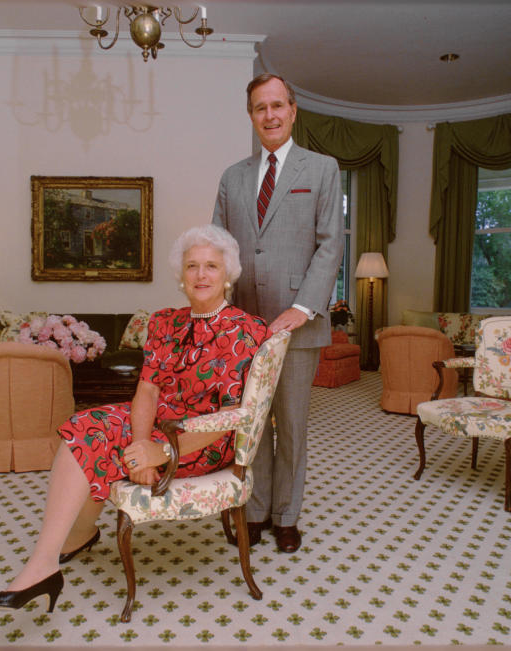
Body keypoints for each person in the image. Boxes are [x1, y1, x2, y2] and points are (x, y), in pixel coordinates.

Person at [0, 224, 269, 612]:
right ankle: (47, 562)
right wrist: (138, 444)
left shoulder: (246, 329)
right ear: (181, 275)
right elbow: (147, 390)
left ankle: (70, 544)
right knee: (84, 428)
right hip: (158, 426)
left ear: (228, 274)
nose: (201, 275)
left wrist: (161, 453)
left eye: (211, 266)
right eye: (192, 266)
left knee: (97, 441)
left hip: (204, 441)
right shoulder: (165, 322)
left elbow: (231, 416)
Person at [212, 73, 343, 553]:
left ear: (292, 110)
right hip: (243, 325)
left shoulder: (322, 169)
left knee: (290, 424)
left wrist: (302, 307)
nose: (269, 115)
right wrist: (219, 309)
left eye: (277, 106)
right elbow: (220, 246)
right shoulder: (233, 176)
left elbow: (330, 246)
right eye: (259, 108)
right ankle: (257, 509)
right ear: (251, 116)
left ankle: (288, 515)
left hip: (298, 326)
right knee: (251, 421)